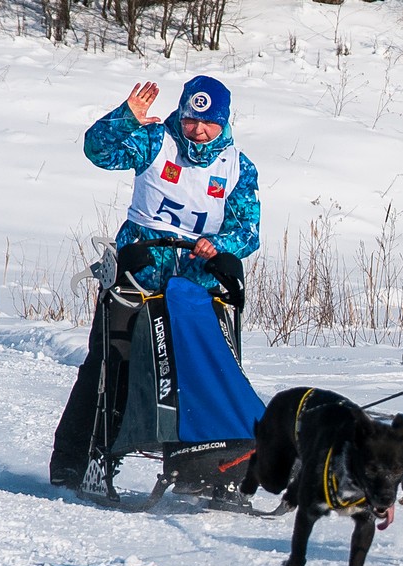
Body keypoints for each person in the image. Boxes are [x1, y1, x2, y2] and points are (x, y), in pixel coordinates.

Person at [50, 75, 261, 488]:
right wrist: (126, 118)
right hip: (138, 273)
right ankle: (74, 460)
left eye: (208, 123)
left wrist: (218, 245)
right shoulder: (154, 141)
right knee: (111, 366)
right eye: (190, 121)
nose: (197, 131)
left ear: (224, 122)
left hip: (196, 285)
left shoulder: (238, 166)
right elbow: (99, 151)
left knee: (200, 373)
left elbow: (248, 231)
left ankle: (203, 467)